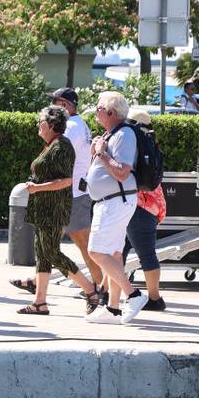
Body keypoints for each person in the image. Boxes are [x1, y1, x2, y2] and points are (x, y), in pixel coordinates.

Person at [14, 105, 99, 316]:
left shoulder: (62, 146)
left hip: (54, 208)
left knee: (51, 252)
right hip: (44, 208)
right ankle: (39, 302)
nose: (38, 125)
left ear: (51, 125)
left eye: (41, 122)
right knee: (42, 253)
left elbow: (65, 181)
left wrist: (37, 188)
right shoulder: (52, 145)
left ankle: (91, 291)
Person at [84, 91, 147, 325]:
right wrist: (97, 154)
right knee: (112, 254)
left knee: (96, 252)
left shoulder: (124, 134)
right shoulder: (111, 134)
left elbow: (122, 172)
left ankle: (133, 294)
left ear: (111, 112)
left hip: (115, 202)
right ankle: (112, 309)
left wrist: (101, 153)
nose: (96, 112)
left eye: (99, 108)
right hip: (110, 201)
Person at [53, 88, 104, 305]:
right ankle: (98, 287)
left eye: (55, 103)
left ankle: (98, 288)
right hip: (74, 193)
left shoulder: (71, 127)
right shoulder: (77, 125)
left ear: (64, 105)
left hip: (72, 194)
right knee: (53, 242)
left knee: (79, 244)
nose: (51, 108)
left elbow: (57, 155)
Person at [122, 108, 167, 311]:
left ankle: (155, 299)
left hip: (138, 206)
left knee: (146, 254)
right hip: (150, 205)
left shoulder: (133, 144)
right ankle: (106, 291)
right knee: (118, 252)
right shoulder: (151, 144)